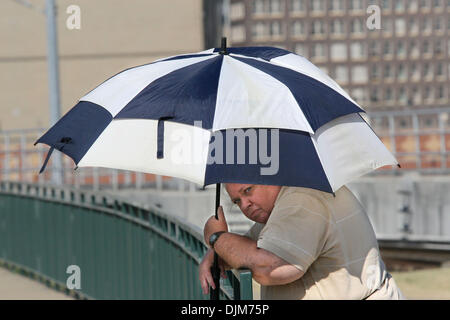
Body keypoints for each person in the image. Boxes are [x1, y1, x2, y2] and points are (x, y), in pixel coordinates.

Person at [199, 183, 405, 300]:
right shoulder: (281, 207)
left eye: (248, 190)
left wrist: (217, 237)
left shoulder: (301, 198)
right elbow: (249, 249)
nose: (245, 205)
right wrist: (221, 251)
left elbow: (270, 268)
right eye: (237, 201)